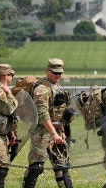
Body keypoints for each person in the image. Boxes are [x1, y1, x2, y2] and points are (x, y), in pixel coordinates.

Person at [23, 58, 74, 188]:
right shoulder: (41, 89)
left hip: (57, 131)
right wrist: (53, 133)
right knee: (36, 167)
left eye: (60, 73)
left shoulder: (59, 88)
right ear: (47, 71)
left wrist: (61, 132)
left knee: (62, 168)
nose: (58, 76)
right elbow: (42, 113)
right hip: (42, 132)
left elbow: (59, 113)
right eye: (55, 73)